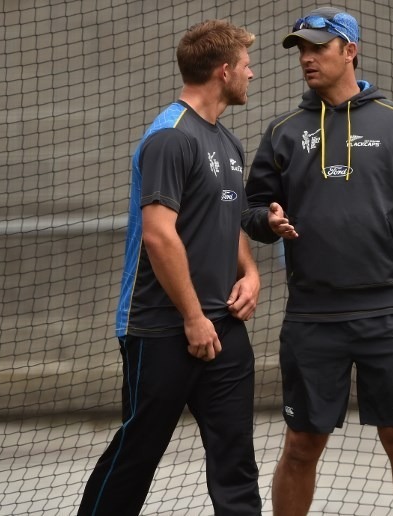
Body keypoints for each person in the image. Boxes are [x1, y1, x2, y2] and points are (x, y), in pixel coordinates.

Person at [242, 7, 393, 516]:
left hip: (389, 313)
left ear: (350, 51)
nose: (307, 58)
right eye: (301, 49)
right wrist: (268, 220)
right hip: (312, 316)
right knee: (301, 444)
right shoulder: (283, 131)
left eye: (318, 47)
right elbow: (251, 210)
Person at [77, 20, 262, 516]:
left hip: (223, 326)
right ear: (223, 71)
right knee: (137, 454)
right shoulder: (169, 137)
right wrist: (192, 317)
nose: (252, 73)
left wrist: (250, 273)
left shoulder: (229, 143)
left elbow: (228, 220)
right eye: (246, 65)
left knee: (236, 461)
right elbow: (159, 234)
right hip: (161, 328)